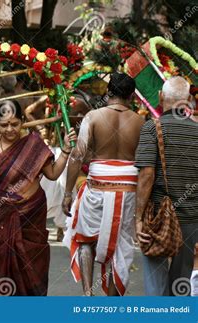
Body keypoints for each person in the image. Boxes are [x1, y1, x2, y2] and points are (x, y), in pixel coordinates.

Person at [0, 99, 77, 296]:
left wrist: (65, 152)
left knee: (32, 264)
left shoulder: (34, 144)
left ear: (22, 121)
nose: (10, 129)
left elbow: (53, 174)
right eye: (4, 125)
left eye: (15, 124)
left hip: (31, 214)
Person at [62, 73, 144, 296]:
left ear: (108, 92)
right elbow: (146, 164)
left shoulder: (93, 117)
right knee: (122, 243)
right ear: (131, 95)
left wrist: (68, 193)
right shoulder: (141, 122)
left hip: (97, 186)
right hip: (128, 190)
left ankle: (88, 292)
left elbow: (78, 155)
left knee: (85, 238)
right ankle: (114, 299)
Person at [135, 76, 198, 296]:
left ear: (161, 97)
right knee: (180, 286)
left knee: (156, 287)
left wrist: (139, 219)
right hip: (191, 220)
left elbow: (146, 175)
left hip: (157, 219)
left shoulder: (152, 128)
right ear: (188, 100)